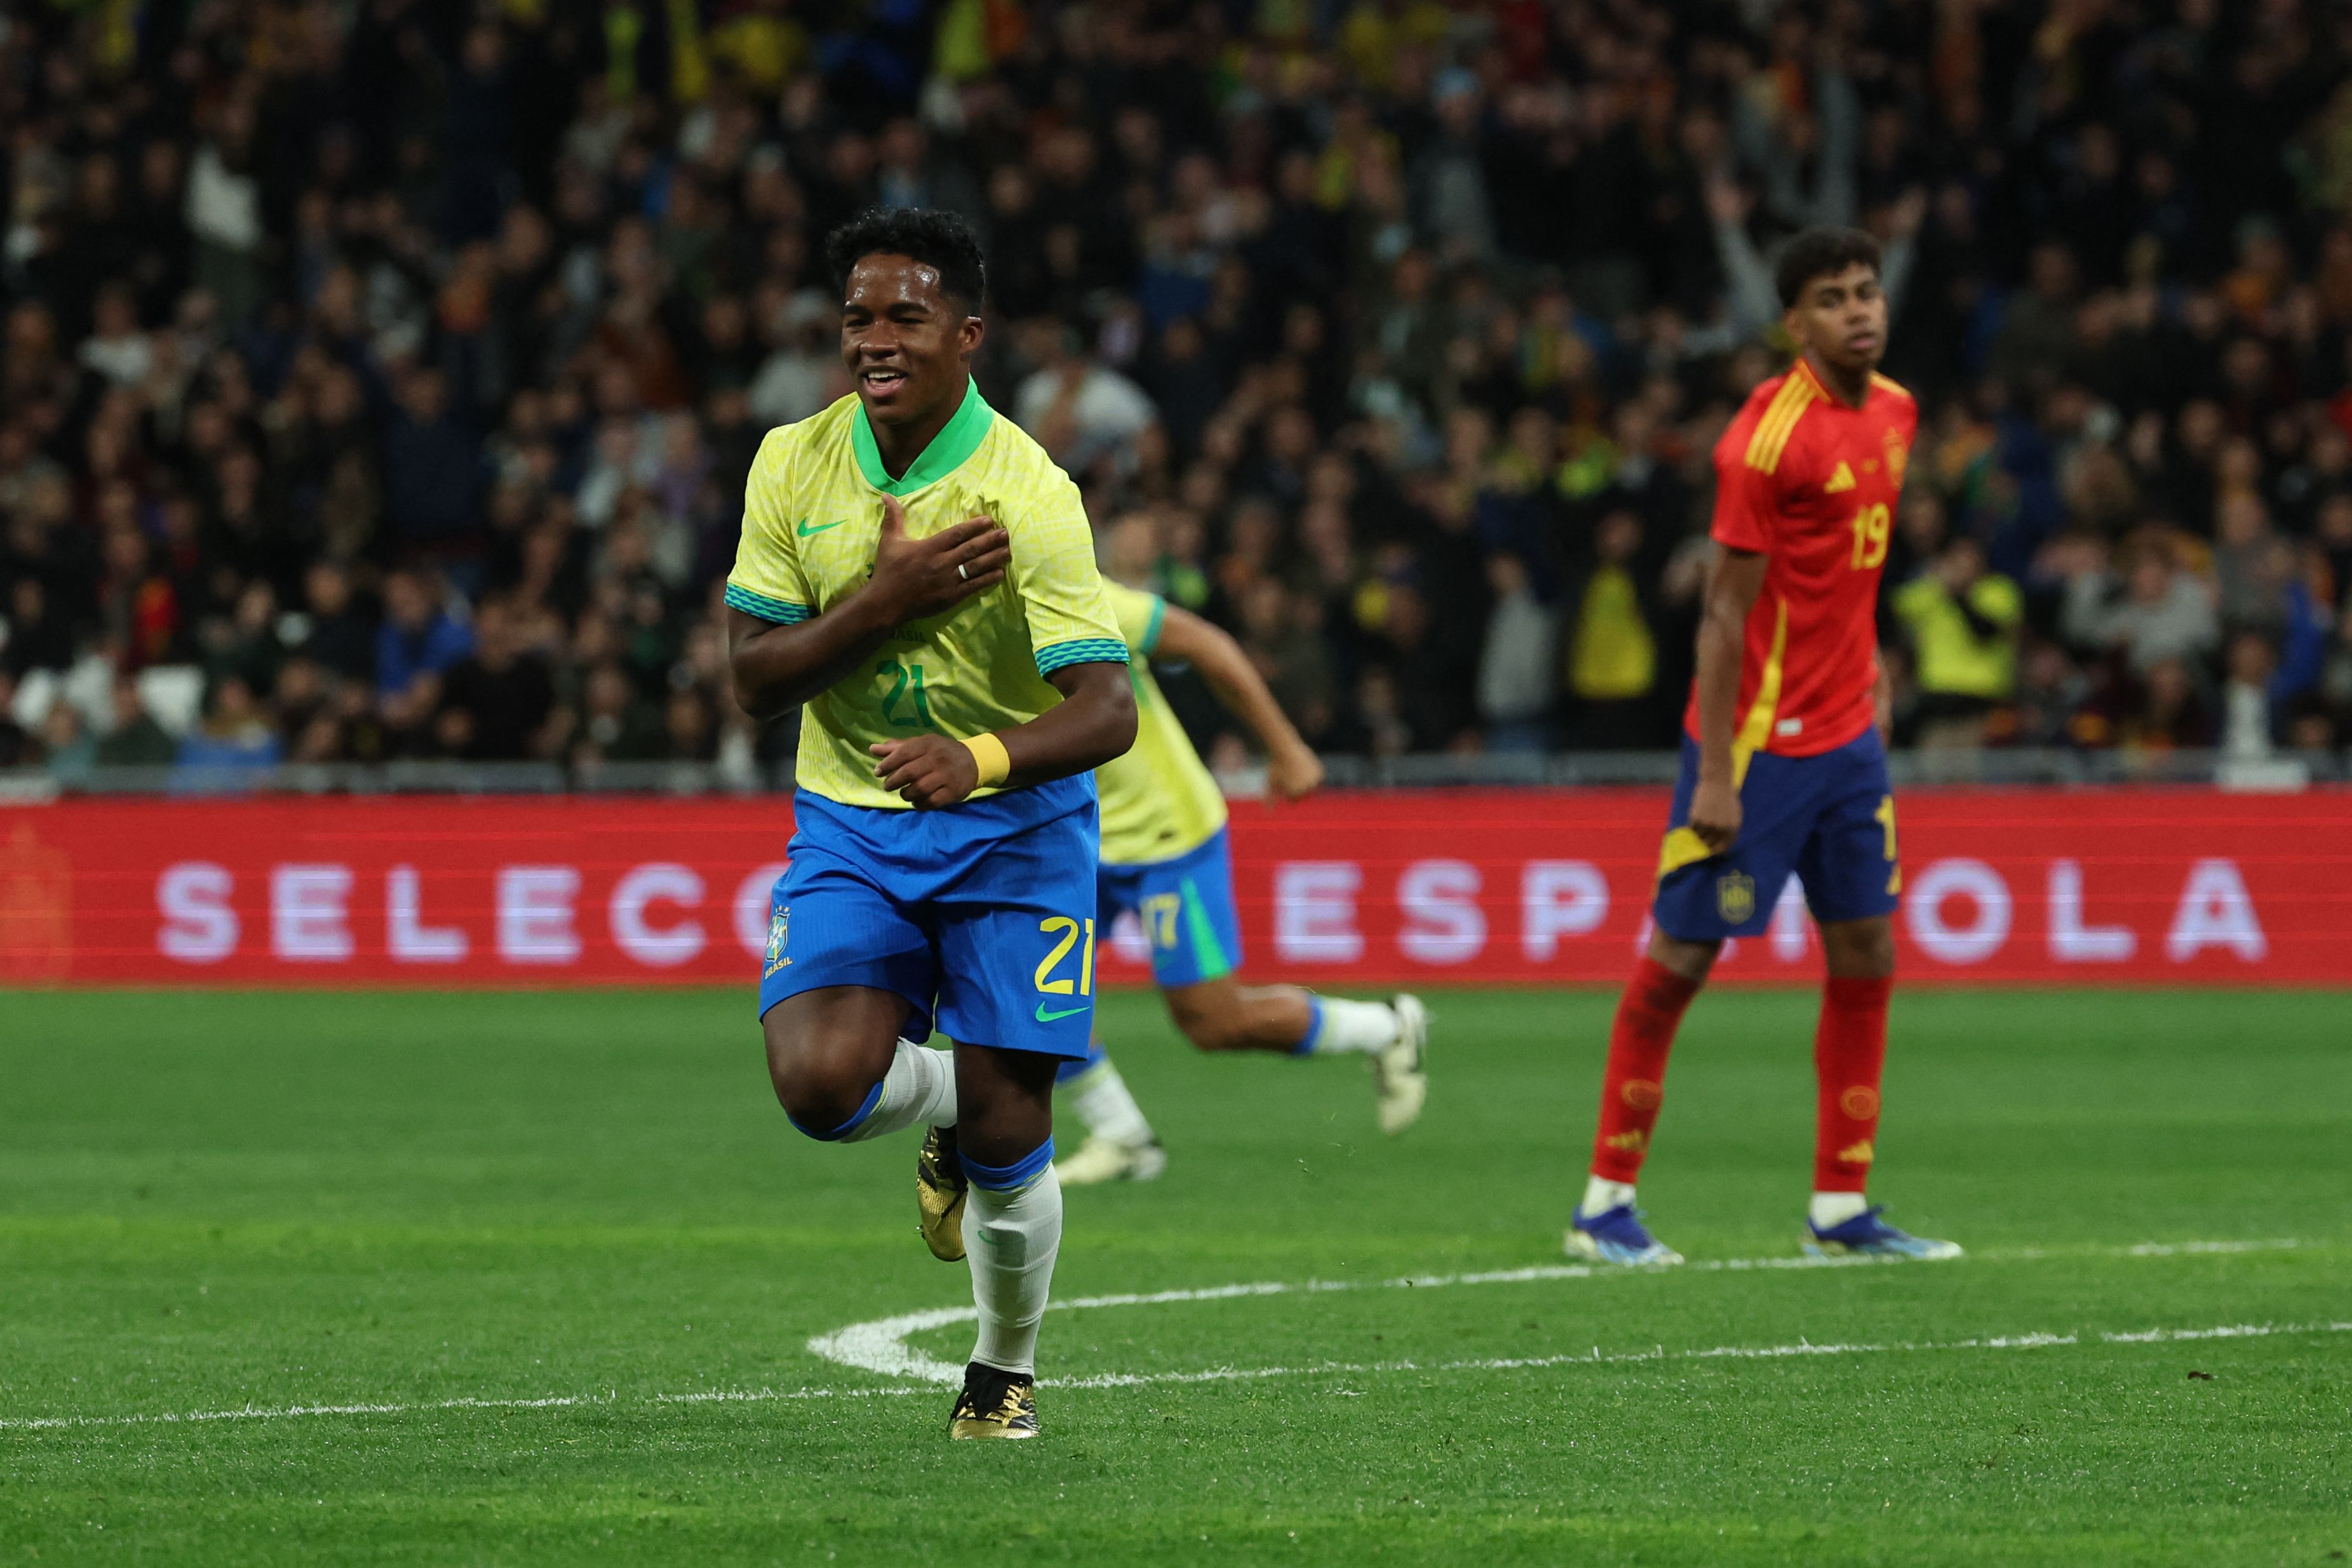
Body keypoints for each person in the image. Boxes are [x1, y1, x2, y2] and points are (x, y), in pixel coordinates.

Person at [724, 208, 1136, 1442]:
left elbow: (1107, 709)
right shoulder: (792, 463)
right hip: (854, 815)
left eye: (904, 315)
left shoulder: (1029, 491)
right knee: (815, 1084)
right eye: (856, 316)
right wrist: (886, 596)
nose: (873, 339)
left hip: (1014, 828)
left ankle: (1001, 1371)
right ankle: (960, 1099)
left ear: (967, 333)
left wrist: (984, 756)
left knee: (1018, 1136)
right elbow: (752, 675)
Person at [1568, 227, 1959, 1268]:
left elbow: (1843, 574)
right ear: (1794, 323)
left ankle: (1840, 1207)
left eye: (1866, 291)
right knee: (1683, 958)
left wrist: (1868, 663)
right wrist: (1715, 770)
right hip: (1754, 746)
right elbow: (1721, 615)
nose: (1857, 311)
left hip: (1846, 741)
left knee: (1866, 950)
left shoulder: (1895, 410)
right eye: (1831, 298)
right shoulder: (1762, 440)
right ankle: (1603, 1202)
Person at [1050, 565, 1430, 1186]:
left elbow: (1208, 645)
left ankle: (1386, 1027)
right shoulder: (953, 634)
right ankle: (1120, 1135)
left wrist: (1285, 747)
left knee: (1214, 1022)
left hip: (1163, 836)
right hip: (1068, 841)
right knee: (1031, 986)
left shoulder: (1081, 600)